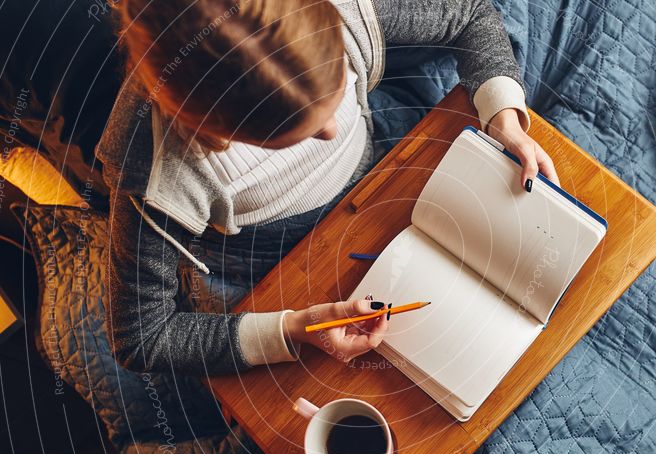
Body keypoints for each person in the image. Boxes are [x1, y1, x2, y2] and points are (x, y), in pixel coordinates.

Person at [98, 0, 560, 375]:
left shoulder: (347, 10)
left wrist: (504, 119)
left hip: (383, 161)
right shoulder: (157, 176)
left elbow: (471, 13)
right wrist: (296, 329)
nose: (332, 132)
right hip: (272, 248)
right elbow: (142, 338)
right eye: (292, 133)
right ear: (213, 133)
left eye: (335, 91)